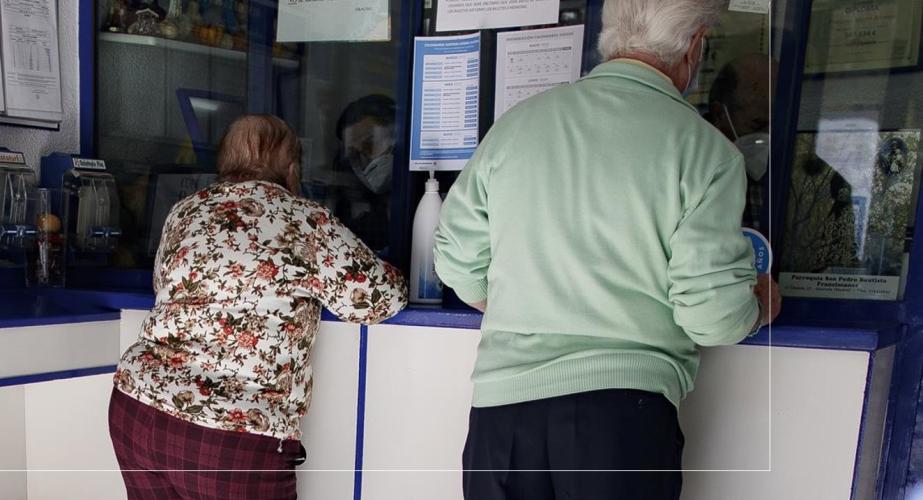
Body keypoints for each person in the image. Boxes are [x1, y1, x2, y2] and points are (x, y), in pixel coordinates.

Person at [433, 1, 782, 499]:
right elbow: (712, 318)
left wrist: (529, 301)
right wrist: (760, 305)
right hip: (620, 423)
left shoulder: (517, 125)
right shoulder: (705, 151)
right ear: (695, 46)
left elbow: (456, 263)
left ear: (609, 35)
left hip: (502, 415)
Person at [108, 115, 407, 499]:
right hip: (232, 440)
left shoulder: (183, 211)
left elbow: (162, 286)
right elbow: (380, 298)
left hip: (137, 408)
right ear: (293, 170)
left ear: (224, 165)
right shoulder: (305, 220)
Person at [707, 54, 775, 233]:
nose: (767, 135)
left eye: (777, 126)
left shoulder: (803, 174)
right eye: (758, 125)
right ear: (719, 114)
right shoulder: (693, 171)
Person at [332, 95, 397, 252]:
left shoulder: (429, 193)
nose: (365, 160)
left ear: (396, 135)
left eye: (370, 144)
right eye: (355, 154)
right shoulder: (361, 225)